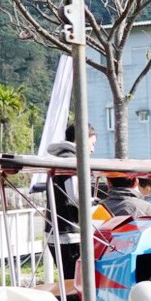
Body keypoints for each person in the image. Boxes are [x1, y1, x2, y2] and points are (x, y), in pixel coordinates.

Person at [44, 122, 97, 289]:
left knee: (68, 280)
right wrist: (94, 204)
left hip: (56, 231)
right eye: (92, 144)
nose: (92, 150)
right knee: (75, 283)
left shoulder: (58, 159)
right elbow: (76, 196)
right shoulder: (70, 162)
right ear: (81, 139)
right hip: (68, 234)